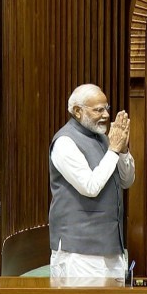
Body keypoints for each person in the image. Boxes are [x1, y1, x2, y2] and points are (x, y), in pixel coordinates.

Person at [48, 83, 135, 278]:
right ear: (78, 111)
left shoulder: (104, 139)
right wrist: (113, 149)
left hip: (112, 246)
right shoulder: (65, 142)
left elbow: (126, 181)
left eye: (107, 108)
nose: (105, 115)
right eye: (98, 110)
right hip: (79, 251)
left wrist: (122, 151)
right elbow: (90, 186)